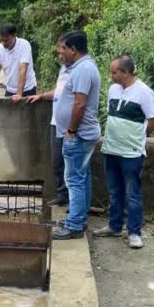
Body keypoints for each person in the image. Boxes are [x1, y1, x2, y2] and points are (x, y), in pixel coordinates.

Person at [92, 55, 154, 249]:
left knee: (132, 193)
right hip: (111, 148)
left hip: (131, 152)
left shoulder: (144, 92)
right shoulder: (113, 90)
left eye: (114, 72)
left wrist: (138, 135)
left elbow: (153, 120)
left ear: (126, 72)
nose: (111, 75)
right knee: (114, 191)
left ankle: (135, 232)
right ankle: (114, 226)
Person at [51, 30, 101, 240]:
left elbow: (80, 104)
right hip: (82, 134)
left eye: (63, 48)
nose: (60, 52)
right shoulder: (84, 67)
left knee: (74, 180)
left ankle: (74, 226)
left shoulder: (82, 70)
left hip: (78, 135)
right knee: (82, 177)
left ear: (73, 49)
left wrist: (71, 130)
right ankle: (78, 219)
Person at [26, 39, 70, 207]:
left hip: (70, 126)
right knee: (57, 162)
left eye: (61, 52)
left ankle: (73, 203)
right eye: (58, 52)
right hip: (56, 122)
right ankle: (62, 195)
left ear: (72, 50)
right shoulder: (63, 69)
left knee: (71, 167)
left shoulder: (81, 71)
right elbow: (59, 91)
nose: (59, 56)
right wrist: (42, 96)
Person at [0, 23, 37, 102]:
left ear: (14, 35)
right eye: (2, 40)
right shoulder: (0, 48)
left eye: (6, 40)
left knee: (27, 114)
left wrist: (19, 94)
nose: (4, 43)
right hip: (10, 89)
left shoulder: (24, 45)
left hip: (27, 89)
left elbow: (22, 70)